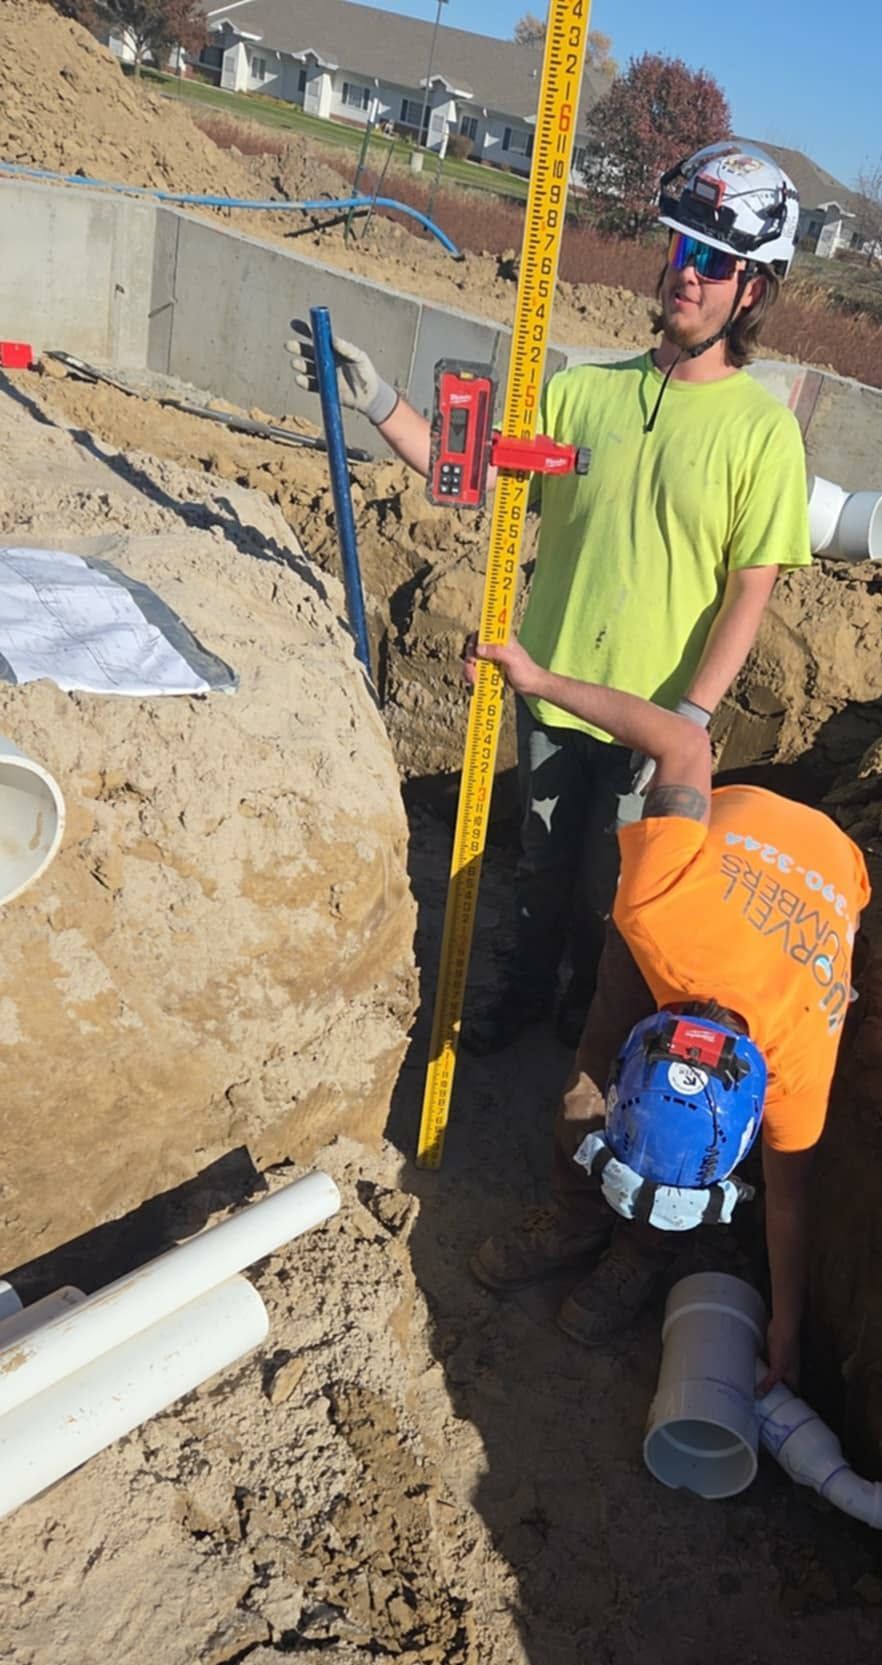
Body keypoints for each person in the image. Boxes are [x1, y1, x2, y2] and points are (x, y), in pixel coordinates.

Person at [286, 142, 811, 1054]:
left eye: (713, 261)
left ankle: (586, 1018)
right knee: (539, 862)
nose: (686, 273)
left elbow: (748, 592)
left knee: (617, 888)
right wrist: (378, 403)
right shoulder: (582, 389)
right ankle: (525, 993)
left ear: (752, 291)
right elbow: (476, 473)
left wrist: (688, 722)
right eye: (680, 248)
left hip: (649, 717)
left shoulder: (763, 434)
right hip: (547, 685)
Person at [465, 635, 871, 1394]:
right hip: (711, 868)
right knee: (589, 1075)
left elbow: (788, 1197)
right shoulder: (654, 907)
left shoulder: (799, 1066)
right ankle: (575, 1214)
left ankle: (643, 1250)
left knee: (687, 1143)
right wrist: (536, 678)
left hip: (833, 862)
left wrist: (787, 1321)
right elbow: (684, 743)